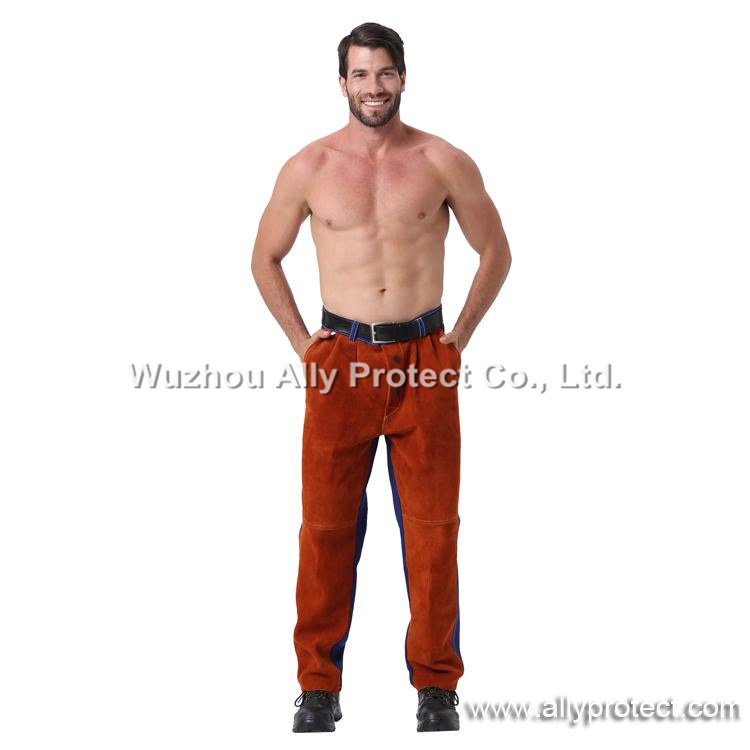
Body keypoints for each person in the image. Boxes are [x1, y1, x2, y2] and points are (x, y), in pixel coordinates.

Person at [251, 21, 511, 732]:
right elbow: (264, 257)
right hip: (340, 361)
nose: (374, 87)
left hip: (426, 358)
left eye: (385, 73)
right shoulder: (308, 166)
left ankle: (436, 687)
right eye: (361, 75)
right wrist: (304, 344)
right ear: (343, 83)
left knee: (432, 530)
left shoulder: (442, 160)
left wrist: (458, 338)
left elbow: (496, 251)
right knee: (326, 529)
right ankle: (318, 687)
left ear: (403, 77)